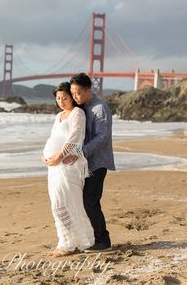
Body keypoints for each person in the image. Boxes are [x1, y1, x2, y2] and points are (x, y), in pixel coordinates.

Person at [42, 82, 95, 257]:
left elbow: (74, 138)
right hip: (54, 167)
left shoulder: (77, 113)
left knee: (64, 203)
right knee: (56, 204)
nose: (61, 101)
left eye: (65, 97)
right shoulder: (58, 116)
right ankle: (65, 241)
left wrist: (59, 156)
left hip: (68, 165)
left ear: (72, 97)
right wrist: (44, 155)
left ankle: (70, 243)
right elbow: (52, 137)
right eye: (58, 98)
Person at [64, 73, 115, 252]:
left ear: (88, 90)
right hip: (85, 162)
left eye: (77, 93)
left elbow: (102, 138)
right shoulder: (83, 107)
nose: (75, 96)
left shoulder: (99, 108)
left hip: (98, 162)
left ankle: (103, 241)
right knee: (86, 201)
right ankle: (93, 238)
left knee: (90, 201)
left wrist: (79, 152)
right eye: (73, 93)